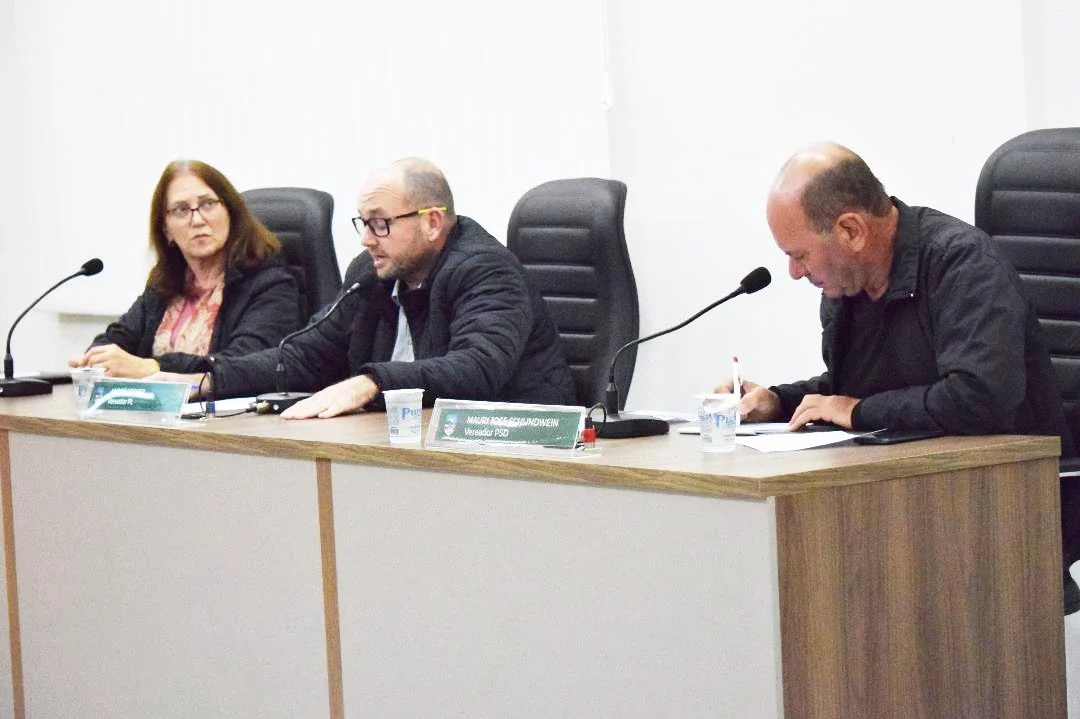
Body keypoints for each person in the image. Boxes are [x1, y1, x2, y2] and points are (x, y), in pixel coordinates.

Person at [721, 142, 1079, 611]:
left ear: (851, 230)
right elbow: (856, 390)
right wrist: (779, 400)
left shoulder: (963, 263)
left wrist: (858, 411)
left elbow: (981, 397)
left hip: (1000, 505)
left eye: (800, 255)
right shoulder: (848, 287)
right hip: (905, 503)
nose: (793, 272)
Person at [160, 157, 576, 417]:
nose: (366, 239)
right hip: (410, 447)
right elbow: (306, 355)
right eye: (363, 222)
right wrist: (209, 380)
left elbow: (475, 369)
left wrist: (372, 383)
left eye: (380, 223)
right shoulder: (371, 273)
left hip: (517, 452)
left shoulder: (485, 270)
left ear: (432, 222)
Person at [69, 160, 301, 379]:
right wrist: (98, 358)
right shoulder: (164, 284)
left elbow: (244, 364)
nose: (197, 220)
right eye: (181, 209)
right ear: (166, 229)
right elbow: (117, 339)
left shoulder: (271, 283)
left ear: (230, 212)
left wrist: (153, 367)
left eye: (208, 204)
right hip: (158, 408)